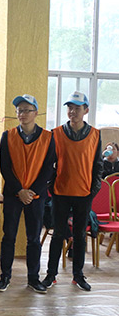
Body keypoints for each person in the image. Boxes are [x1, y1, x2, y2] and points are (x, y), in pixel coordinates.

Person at [0, 94, 55, 293]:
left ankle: (33, 279)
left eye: (27, 110)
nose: (23, 114)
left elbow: (48, 168)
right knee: (8, 236)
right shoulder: (8, 136)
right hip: (14, 194)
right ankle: (5, 277)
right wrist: (19, 190)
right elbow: (5, 167)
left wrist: (32, 191)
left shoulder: (48, 137)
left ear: (36, 113)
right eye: (19, 110)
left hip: (36, 197)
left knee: (34, 238)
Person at [44, 91, 103, 292]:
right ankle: (50, 275)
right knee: (58, 234)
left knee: (79, 235)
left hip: (84, 194)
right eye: (70, 107)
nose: (72, 111)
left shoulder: (95, 135)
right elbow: (49, 163)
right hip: (60, 193)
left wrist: (93, 190)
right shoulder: (56, 133)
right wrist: (51, 186)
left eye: (77, 108)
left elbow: (98, 166)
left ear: (86, 110)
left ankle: (78, 275)